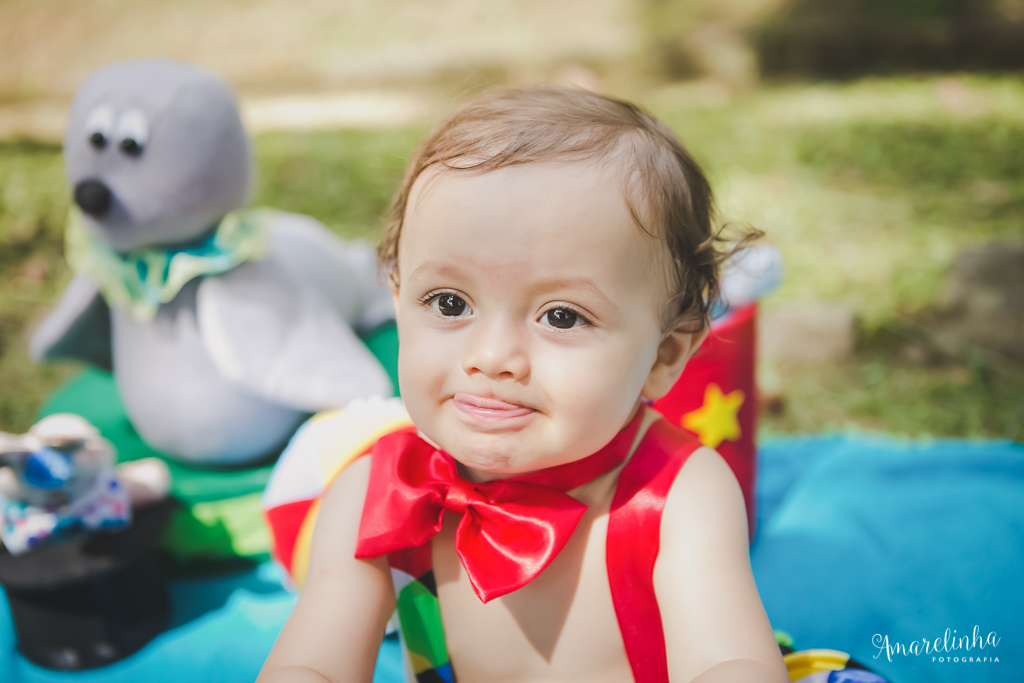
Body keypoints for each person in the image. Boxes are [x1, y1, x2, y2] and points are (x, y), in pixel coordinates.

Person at [257, 86, 790, 683]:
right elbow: (312, 661)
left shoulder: (678, 494)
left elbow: (730, 660)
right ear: (398, 300)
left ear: (664, 355)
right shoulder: (379, 493)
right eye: (449, 302)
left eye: (561, 316)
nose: (492, 357)